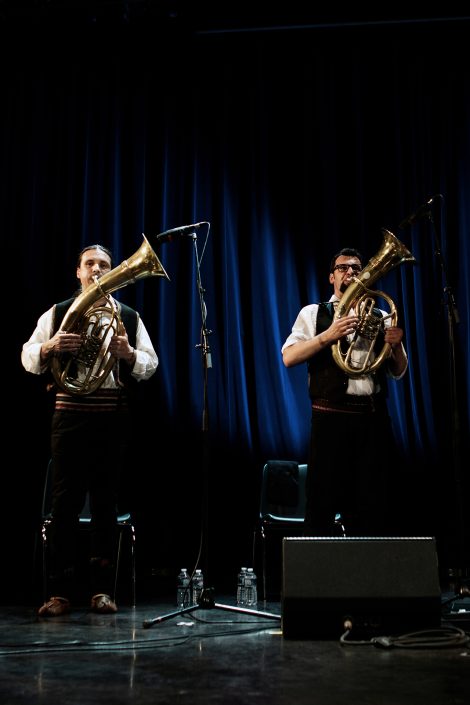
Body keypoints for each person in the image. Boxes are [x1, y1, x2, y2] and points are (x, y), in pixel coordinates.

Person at [22, 244, 158, 617]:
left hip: (111, 413)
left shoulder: (128, 316)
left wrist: (128, 354)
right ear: (78, 272)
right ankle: (59, 592)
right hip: (69, 411)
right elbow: (27, 355)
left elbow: (150, 364)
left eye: (104, 265)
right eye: (90, 264)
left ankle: (102, 591)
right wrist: (50, 346)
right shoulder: (60, 312)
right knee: (63, 504)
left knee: (104, 503)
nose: (97, 270)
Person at [281, 247, 408, 537]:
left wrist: (397, 344)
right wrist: (329, 335)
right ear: (331, 277)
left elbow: (398, 372)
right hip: (330, 419)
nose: (350, 272)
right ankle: (320, 579)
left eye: (356, 267)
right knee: (322, 503)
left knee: (373, 504)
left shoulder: (381, 313)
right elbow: (289, 357)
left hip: (372, 420)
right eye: (343, 268)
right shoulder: (314, 313)